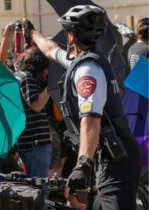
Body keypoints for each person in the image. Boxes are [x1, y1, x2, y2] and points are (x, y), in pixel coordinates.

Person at [24, 5, 141, 210]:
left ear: (71, 37)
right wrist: (32, 33)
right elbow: (52, 50)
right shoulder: (82, 60)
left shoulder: (88, 71)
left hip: (116, 159)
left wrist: (83, 164)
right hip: (111, 153)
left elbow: (90, 120)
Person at [14, 46, 52, 179]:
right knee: (40, 189)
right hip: (35, 143)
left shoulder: (23, 77)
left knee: (36, 187)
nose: (47, 72)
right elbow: (36, 105)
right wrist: (51, 85)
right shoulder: (26, 78)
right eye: (47, 68)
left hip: (31, 142)